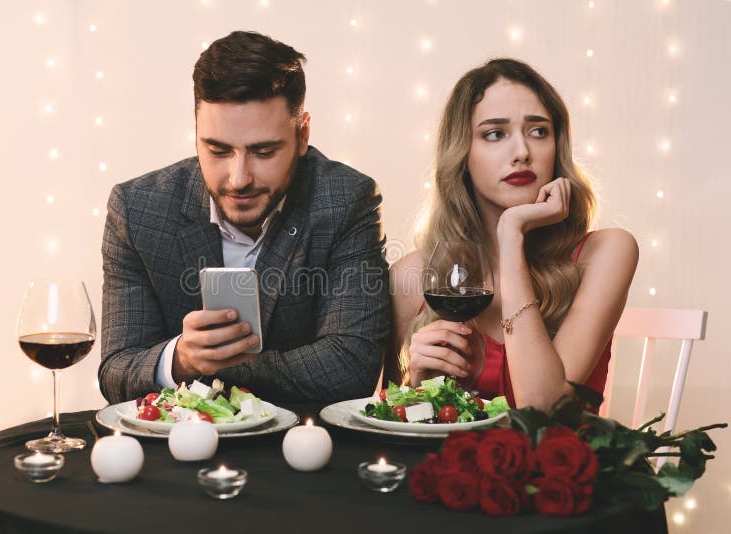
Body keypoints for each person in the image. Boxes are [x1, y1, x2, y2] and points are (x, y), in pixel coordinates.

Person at [99, 31, 390, 405]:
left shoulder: (347, 200)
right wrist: (181, 358)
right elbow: (116, 372)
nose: (239, 179)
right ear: (196, 135)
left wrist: (207, 369)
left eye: (264, 152)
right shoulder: (137, 210)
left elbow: (351, 369)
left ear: (302, 135)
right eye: (218, 150)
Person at [387, 58, 638, 412]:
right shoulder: (411, 277)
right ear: (463, 153)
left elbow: (544, 407)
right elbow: (390, 430)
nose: (522, 152)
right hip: (449, 466)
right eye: (494, 134)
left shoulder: (607, 252)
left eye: (538, 131)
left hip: (561, 466)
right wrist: (415, 384)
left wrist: (511, 234)